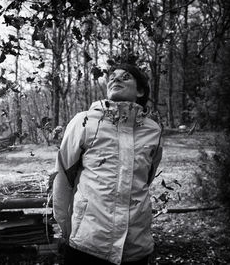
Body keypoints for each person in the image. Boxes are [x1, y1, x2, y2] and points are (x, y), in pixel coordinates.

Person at [53, 64, 163, 265]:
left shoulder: (153, 130)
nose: (116, 79)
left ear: (140, 91)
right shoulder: (84, 122)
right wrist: (66, 228)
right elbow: (63, 177)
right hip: (88, 243)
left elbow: (146, 178)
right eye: (112, 76)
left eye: (126, 77)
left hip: (136, 245)